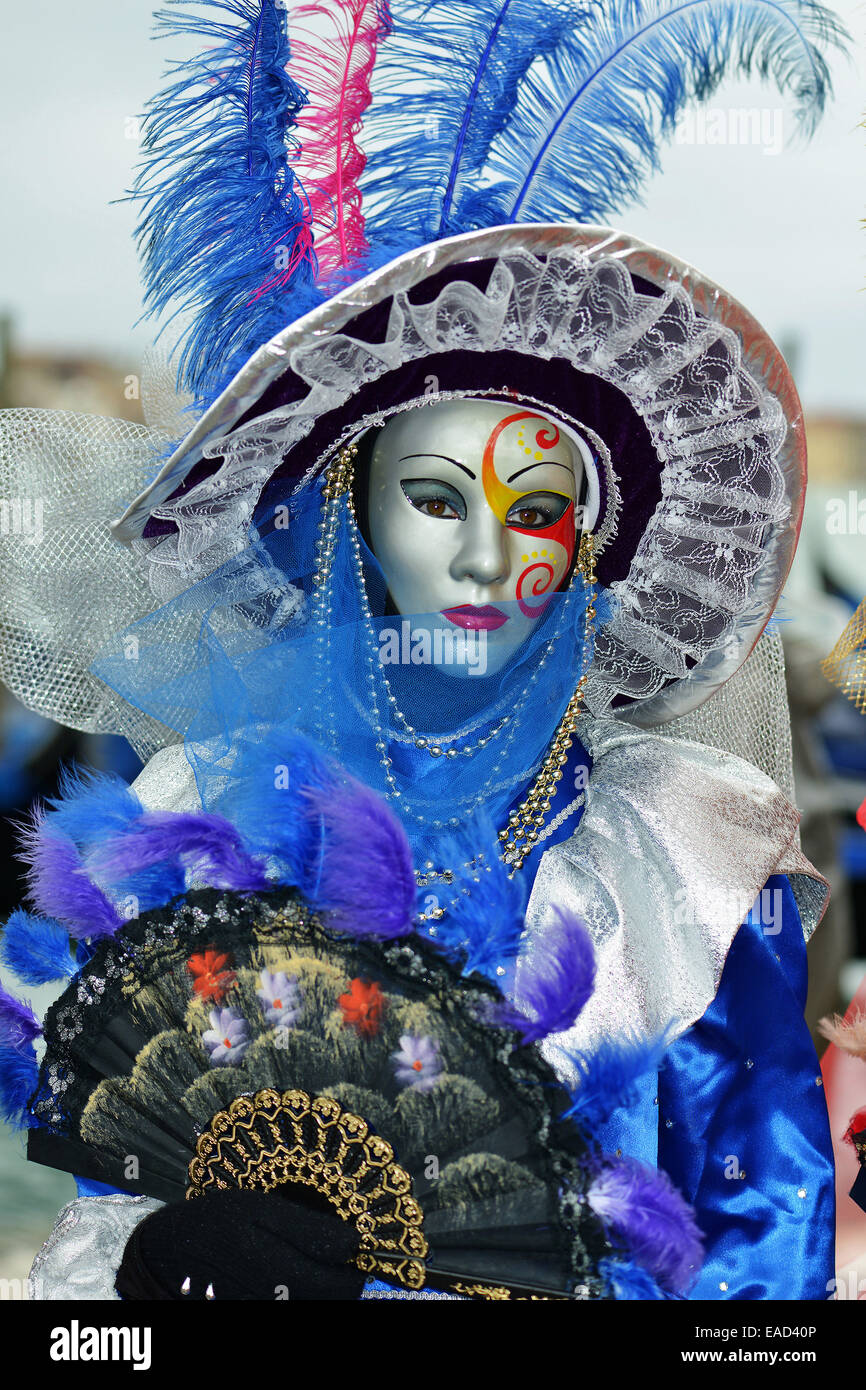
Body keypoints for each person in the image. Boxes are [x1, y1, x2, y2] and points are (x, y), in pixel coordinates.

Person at [0, 0, 846, 1299]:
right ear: (351, 510)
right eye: (437, 498)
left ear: (593, 547)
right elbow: (99, 1222)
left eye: (538, 509)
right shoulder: (205, 813)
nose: (486, 557)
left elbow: (760, 1240)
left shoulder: (684, 861)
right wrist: (166, 1268)